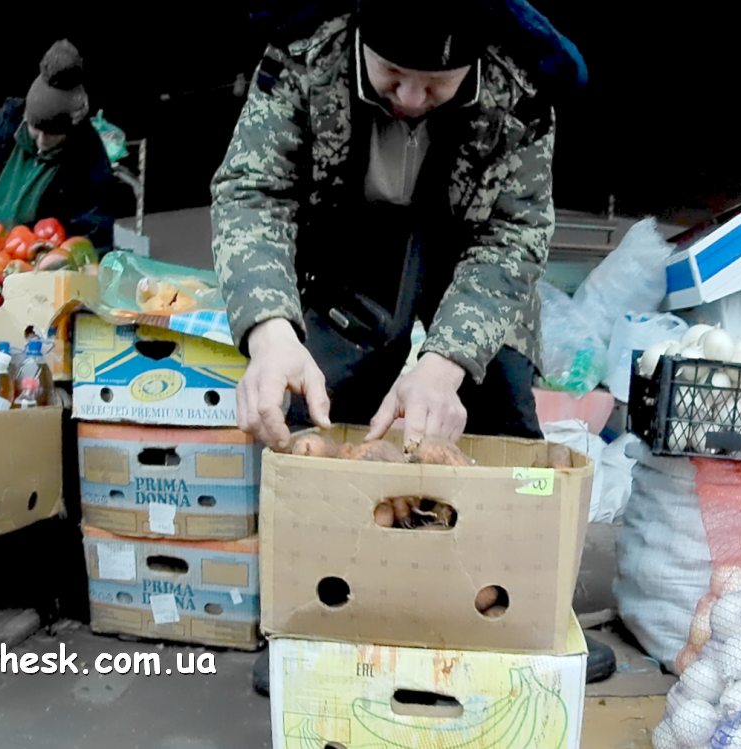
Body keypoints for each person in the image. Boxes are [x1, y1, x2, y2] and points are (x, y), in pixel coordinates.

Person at [210, 0, 615, 690]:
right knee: (325, 414)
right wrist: (269, 329)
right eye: (393, 75)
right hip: (347, 253)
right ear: (361, 39)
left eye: (437, 83)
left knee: (498, 415)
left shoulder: (520, 90)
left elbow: (515, 235)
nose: (411, 98)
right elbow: (253, 191)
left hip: (472, 254)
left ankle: (517, 612)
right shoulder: (306, 57)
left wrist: (448, 359)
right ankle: (322, 614)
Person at [0, 39, 117, 267]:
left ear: (70, 131)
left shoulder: (90, 160)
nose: (42, 141)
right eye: (36, 129)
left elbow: (93, 239)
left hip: (42, 263)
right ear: (26, 117)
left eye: (53, 134)